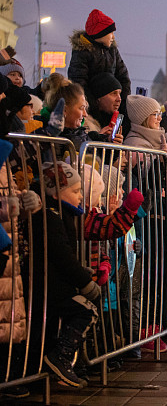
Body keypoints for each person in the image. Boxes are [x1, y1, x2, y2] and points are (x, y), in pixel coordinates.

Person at [32, 162, 99, 388]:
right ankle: (60, 358)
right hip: (51, 286)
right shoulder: (50, 216)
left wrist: (82, 272)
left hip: (55, 284)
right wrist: (83, 280)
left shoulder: (61, 214)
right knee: (87, 312)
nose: (81, 197)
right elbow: (61, 255)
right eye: (76, 191)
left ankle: (61, 363)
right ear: (57, 191)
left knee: (57, 324)